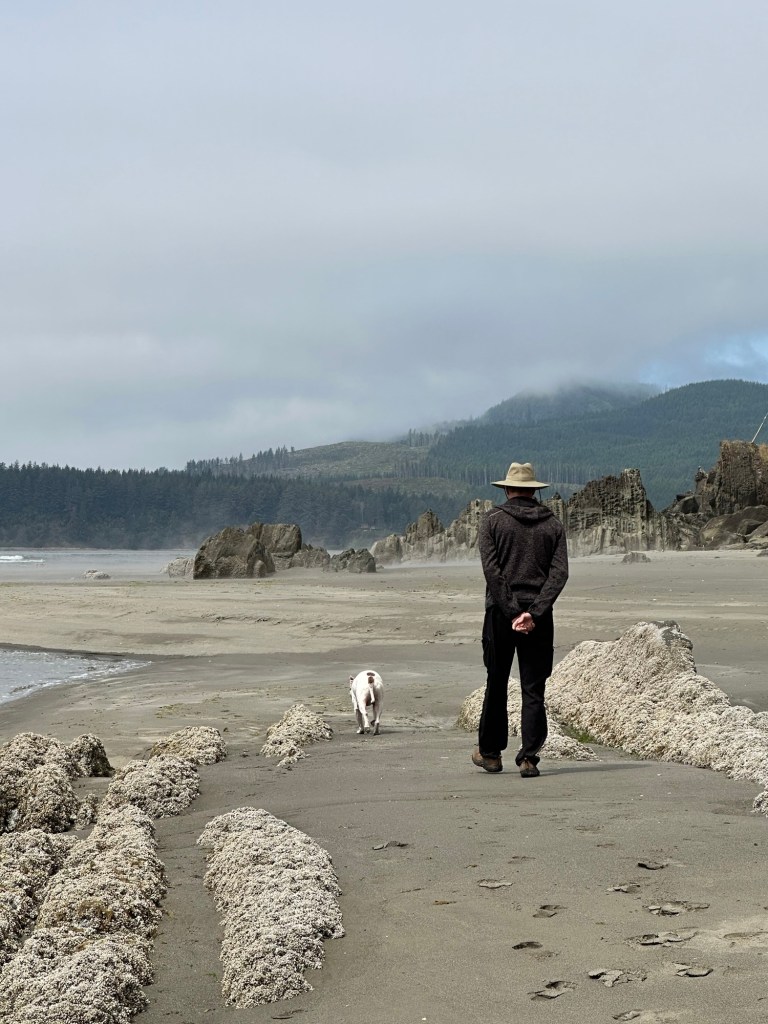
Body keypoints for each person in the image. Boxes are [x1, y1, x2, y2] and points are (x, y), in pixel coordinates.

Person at [472, 461, 568, 778]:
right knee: (533, 688)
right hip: (538, 619)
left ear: (507, 489)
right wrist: (533, 612)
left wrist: (513, 611)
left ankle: (490, 754)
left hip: (500, 614)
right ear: (533, 490)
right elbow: (559, 575)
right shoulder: (553, 524)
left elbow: (493, 572)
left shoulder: (492, 521)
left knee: (496, 683)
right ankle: (528, 757)